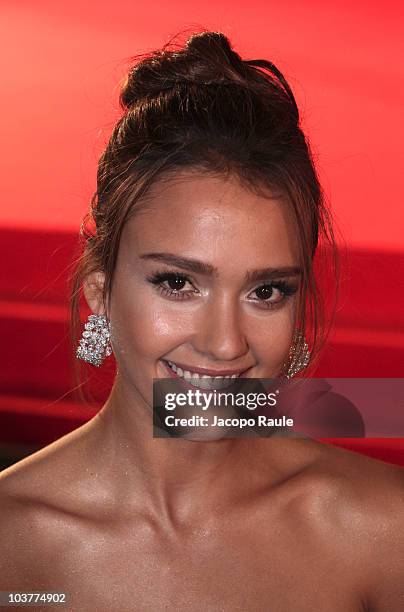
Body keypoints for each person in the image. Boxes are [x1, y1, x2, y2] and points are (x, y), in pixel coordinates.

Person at [0, 31, 403, 611]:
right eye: (177, 283)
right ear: (101, 291)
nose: (224, 343)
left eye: (266, 291)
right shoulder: (14, 547)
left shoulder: (381, 531)